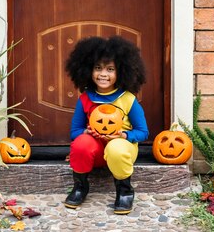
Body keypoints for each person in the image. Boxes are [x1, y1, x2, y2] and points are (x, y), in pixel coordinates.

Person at [63, 35, 149, 215]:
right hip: (96, 153)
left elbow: (143, 132)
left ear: (121, 72)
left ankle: (125, 191)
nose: (103, 74)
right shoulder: (85, 98)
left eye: (110, 69)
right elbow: (74, 131)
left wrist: (124, 135)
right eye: (98, 68)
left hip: (120, 151)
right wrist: (85, 132)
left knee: (117, 148)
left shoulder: (127, 99)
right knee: (80, 143)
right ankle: (80, 187)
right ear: (88, 70)